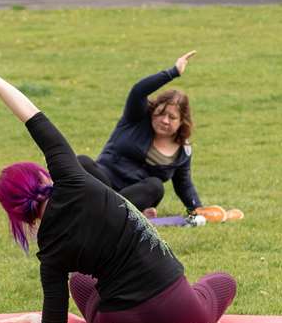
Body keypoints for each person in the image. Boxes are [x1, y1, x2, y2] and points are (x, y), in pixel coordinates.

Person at [0, 55, 237, 323]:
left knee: (80, 280)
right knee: (223, 281)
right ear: (42, 177)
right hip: (183, 314)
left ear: (16, 212)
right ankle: (191, 305)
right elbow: (33, 118)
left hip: (115, 322)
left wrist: (36, 319)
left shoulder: (50, 253)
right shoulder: (72, 178)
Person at [78, 53, 204, 216]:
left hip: (136, 194)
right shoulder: (137, 118)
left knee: (156, 186)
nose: (164, 120)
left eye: (172, 117)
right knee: (82, 162)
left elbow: (183, 184)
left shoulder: (183, 150)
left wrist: (198, 209)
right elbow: (138, 91)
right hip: (104, 180)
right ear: (153, 111)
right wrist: (173, 72)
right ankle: (122, 213)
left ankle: (112, 210)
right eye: (160, 113)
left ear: (182, 121)